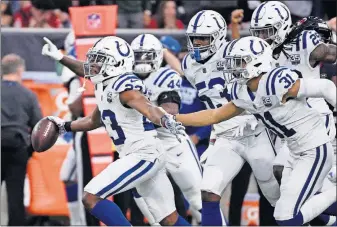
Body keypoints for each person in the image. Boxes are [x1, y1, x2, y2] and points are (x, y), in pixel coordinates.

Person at [174, 36, 337, 226]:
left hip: (312, 149)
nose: (233, 67)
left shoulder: (275, 80)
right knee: (292, 210)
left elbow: (325, 86)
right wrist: (173, 119)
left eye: (239, 62)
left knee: (288, 216)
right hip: (293, 152)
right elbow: (214, 116)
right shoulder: (242, 90)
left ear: (257, 61)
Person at [41, 35, 189, 226]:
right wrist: (64, 125)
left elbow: (148, 108)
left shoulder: (124, 87)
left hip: (143, 154)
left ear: (116, 63)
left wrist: (164, 119)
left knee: (91, 196)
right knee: (169, 220)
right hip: (140, 154)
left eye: (100, 60)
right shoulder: (106, 84)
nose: (93, 64)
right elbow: (93, 121)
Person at [182, 10, 280, 226]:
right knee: (208, 192)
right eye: (194, 38)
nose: (197, 43)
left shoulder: (232, 51)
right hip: (225, 134)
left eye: (203, 38)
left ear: (218, 36)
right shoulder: (188, 64)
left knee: (280, 200)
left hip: (255, 129)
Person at [249, 2, 337, 197]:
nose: (262, 38)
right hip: (287, 124)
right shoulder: (260, 54)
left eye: (267, 32)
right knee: (297, 189)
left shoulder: (304, 40)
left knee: (288, 175)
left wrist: (329, 36)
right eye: (258, 32)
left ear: (282, 26)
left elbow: (331, 54)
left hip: (314, 117)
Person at [129, 33, 203, 225]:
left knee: (198, 201)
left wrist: (140, 115)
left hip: (172, 143)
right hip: (146, 147)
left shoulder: (165, 76)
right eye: (137, 55)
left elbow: (170, 111)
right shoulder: (126, 80)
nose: (140, 61)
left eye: (145, 55)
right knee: (156, 213)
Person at [57, 31, 99, 226]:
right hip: (85, 127)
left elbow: (77, 106)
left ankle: (80, 222)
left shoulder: (80, 71)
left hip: (86, 129)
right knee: (69, 177)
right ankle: (77, 221)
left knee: (84, 182)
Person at [1, 54, 43, 225]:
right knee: (15, 195)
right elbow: (39, 126)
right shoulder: (28, 95)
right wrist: (30, 150)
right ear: (20, 70)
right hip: (17, 148)